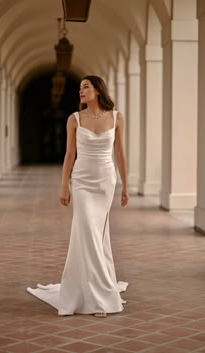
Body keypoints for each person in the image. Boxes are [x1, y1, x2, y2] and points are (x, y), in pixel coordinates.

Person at [27, 75, 129, 317]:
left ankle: (98, 292)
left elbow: (120, 153)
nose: (81, 91)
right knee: (87, 230)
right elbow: (69, 154)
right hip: (82, 181)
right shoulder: (74, 119)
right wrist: (65, 185)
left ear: (97, 90)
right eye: (80, 88)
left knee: (97, 234)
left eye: (86, 87)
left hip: (105, 181)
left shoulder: (116, 117)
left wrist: (125, 185)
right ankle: (97, 297)